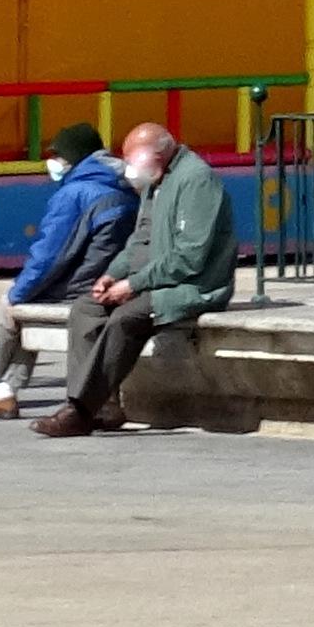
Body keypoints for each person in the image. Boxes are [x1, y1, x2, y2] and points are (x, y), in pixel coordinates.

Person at [38, 123, 235, 436]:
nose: (127, 168)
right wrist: (112, 275)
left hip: (194, 286)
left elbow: (190, 258)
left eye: (132, 159)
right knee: (86, 310)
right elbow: (138, 241)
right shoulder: (155, 183)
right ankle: (103, 406)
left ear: (157, 154)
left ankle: (80, 409)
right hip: (153, 280)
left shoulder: (196, 180)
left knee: (127, 318)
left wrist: (133, 285)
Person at [0, 126, 133, 418]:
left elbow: (50, 255)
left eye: (58, 156)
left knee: (14, 303)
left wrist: (19, 292)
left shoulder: (76, 193)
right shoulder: (122, 186)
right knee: (29, 300)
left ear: (73, 157)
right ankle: (3, 392)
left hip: (83, 288)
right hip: (107, 281)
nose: (53, 163)